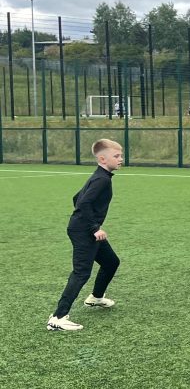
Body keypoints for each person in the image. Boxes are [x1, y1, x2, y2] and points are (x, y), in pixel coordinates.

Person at [46, 139, 124, 331]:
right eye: (117, 156)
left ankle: (95, 298)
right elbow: (83, 204)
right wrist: (94, 228)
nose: (121, 159)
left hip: (85, 229)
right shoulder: (102, 180)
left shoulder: (100, 176)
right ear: (103, 158)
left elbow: (76, 198)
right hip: (84, 231)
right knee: (81, 272)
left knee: (111, 262)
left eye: (121, 155)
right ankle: (58, 317)